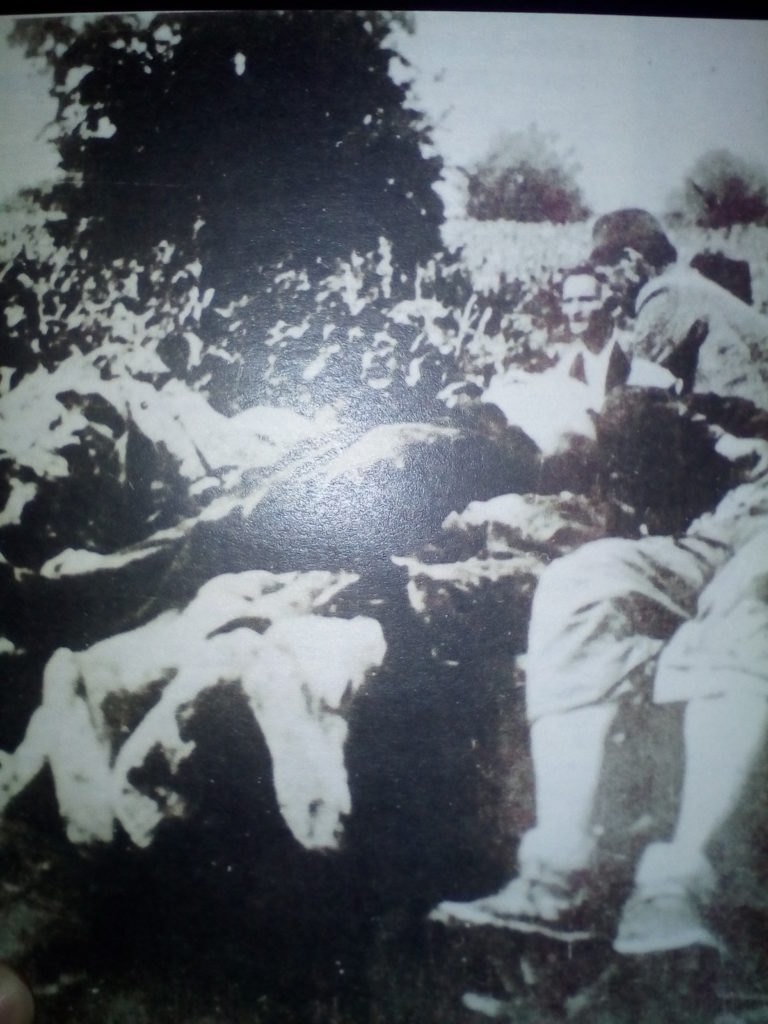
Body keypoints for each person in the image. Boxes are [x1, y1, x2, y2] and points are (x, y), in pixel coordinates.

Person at [430, 209, 768, 955]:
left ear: (628, 266)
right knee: (581, 582)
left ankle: (677, 887)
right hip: (725, 517)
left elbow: (633, 415)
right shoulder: (701, 312)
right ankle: (560, 872)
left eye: (607, 276)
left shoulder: (672, 296)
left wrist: (539, 445)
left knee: (748, 604)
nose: (602, 295)